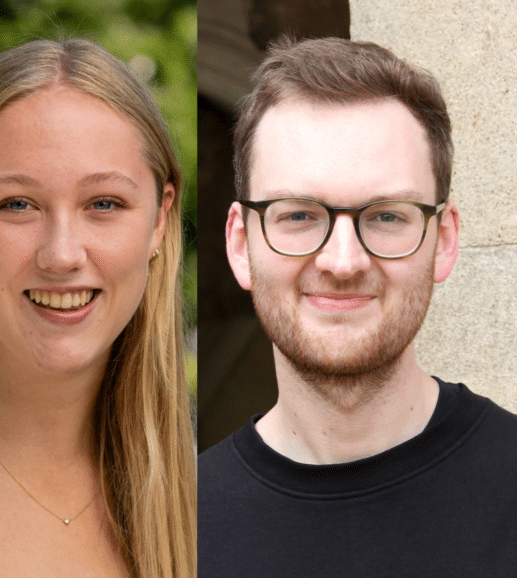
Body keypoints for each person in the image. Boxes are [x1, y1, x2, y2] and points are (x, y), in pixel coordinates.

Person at [198, 37, 517, 577]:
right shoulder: (173, 528)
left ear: (442, 240)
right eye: (297, 215)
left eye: (386, 216)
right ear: (238, 244)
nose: (342, 262)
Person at [0, 38, 195, 578]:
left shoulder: (217, 496)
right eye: (17, 204)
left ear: (159, 222)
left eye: (104, 204)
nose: (62, 255)